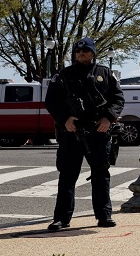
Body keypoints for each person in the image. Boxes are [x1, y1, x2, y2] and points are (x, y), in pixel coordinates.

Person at [44, 37, 125, 231]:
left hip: (99, 131)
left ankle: (104, 216)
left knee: (101, 175)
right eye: (78, 51)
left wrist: (108, 117)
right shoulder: (63, 75)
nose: (81, 53)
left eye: (86, 50)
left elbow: (118, 98)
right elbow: (51, 101)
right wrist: (65, 119)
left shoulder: (105, 73)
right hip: (72, 132)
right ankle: (61, 218)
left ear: (93, 53)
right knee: (67, 176)